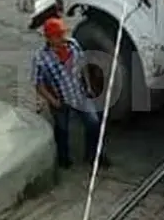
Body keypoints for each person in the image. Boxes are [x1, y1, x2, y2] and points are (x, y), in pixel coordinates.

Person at [31, 17, 111, 170]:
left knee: (94, 124)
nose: (63, 38)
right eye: (58, 35)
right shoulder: (41, 58)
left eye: (63, 33)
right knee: (62, 129)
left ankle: (92, 155)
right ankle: (63, 158)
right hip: (60, 100)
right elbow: (38, 84)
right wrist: (53, 101)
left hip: (79, 94)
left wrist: (87, 85)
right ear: (49, 38)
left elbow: (82, 65)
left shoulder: (73, 45)